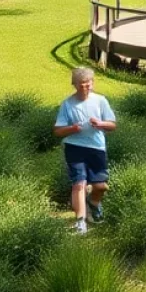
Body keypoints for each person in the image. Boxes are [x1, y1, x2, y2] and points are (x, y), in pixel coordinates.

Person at [53, 68, 117, 235]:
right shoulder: (67, 104)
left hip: (96, 147)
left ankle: (93, 203)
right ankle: (80, 222)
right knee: (79, 183)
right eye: (81, 85)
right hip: (74, 147)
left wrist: (101, 124)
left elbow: (112, 125)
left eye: (87, 85)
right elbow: (58, 131)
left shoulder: (101, 101)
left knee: (101, 186)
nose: (84, 88)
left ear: (93, 83)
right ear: (74, 85)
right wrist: (72, 128)